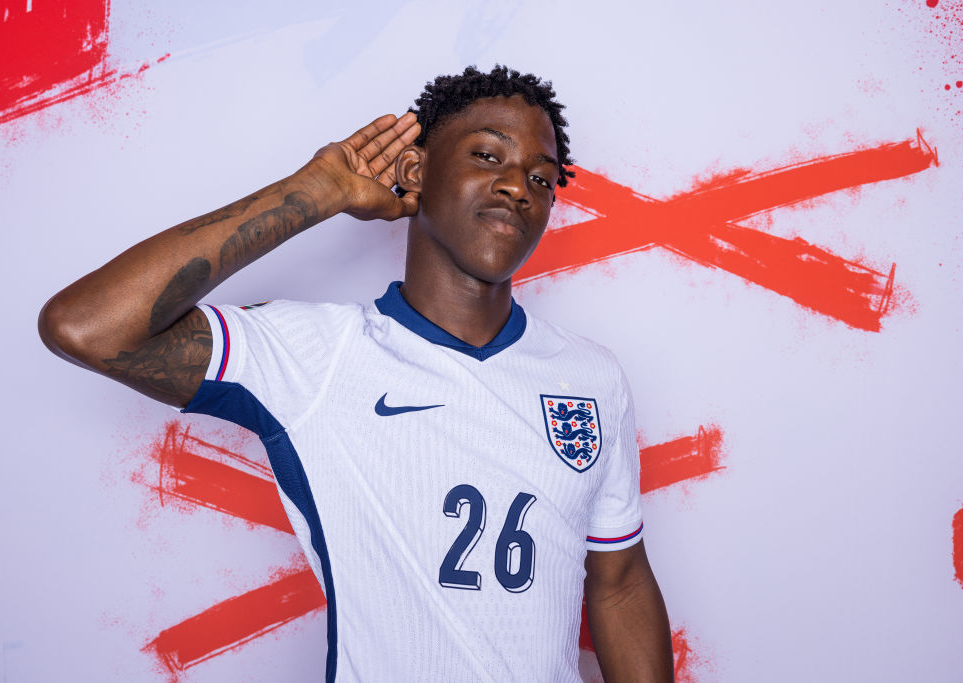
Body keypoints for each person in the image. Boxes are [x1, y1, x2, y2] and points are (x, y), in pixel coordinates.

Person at [39, 65, 674, 682]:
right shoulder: (316, 356)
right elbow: (86, 326)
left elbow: (618, 584)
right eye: (487, 156)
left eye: (541, 178)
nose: (518, 186)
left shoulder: (591, 376)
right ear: (415, 172)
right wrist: (315, 191)